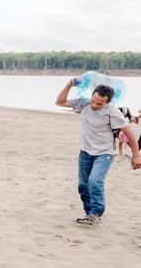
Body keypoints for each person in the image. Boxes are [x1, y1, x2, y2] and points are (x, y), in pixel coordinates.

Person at [55, 79, 141, 225]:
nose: (94, 105)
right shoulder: (84, 103)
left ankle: (96, 213)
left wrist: (136, 155)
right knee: (83, 185)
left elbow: (129, 133)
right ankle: (89, 213)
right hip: (85, 152)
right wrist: (69, 85)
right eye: (93, 101)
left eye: (99, 103)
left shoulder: (113, 112)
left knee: (94, 181)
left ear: (107, 102)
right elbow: (60, 102)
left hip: (104, 153)